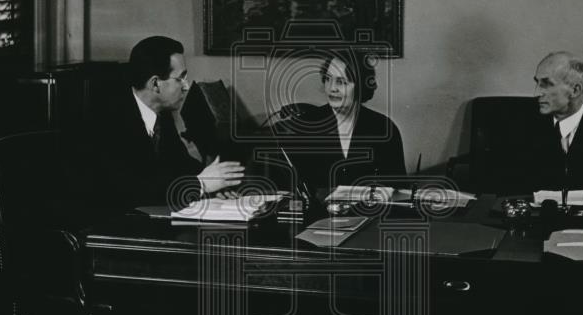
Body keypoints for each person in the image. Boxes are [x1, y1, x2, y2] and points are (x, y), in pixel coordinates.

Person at [82, 36, 244, 209]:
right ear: (155, 84)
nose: (186, 86)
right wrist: (200, 184)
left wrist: (213, 186)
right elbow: (132, 188)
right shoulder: (109, 121)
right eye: (180, 78)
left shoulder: (161, 114)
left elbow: (180, 164)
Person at [282, 49, 406, 193]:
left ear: (360, 86)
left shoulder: (384, 128)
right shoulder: (305, 125)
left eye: (341, 82)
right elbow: (292, 188)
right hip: (319, 214)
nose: (332, 88)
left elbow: (398, 188)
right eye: (328, 79)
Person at [526, 51, 583, 194]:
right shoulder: (521, 131)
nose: (537, 93)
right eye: (537, 83)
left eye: (547, 84)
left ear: (575, 90)